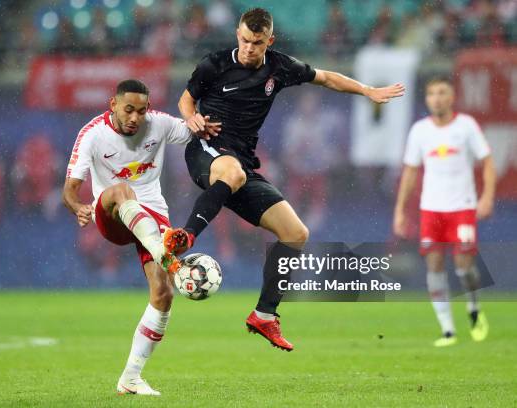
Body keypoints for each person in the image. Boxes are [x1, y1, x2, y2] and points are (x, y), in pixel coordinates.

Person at [167, 8, 405, 351]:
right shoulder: (214, 64)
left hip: (241, 167)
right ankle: (186, 236)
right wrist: (191, 119)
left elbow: (325, 77)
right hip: (206, 152)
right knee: (230, 171)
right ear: (237, 34)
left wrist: (367, 91)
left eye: (257, 42)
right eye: (245, 40)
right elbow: (186, 100)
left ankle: (265, 315)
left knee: (296, 234)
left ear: (270, 41)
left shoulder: (279, 67)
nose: (249, 48)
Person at [62, 79, 209, 395]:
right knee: (121, 190)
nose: (135, 118)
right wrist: (78, 208)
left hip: (152, 215)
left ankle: (130, 378)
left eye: (141, 111)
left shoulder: (158, 124)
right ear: (112, 104)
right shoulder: (92, 134)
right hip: (111, 213)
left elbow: (197, 130)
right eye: (128, 109)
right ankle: (165, 254)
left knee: (163, 294)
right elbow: (70, 190)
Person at [393, 77, 494, 347]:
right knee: (434, 264)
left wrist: (486, 197)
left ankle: (473, 308)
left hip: (462, 208)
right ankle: (448, 329)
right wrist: (401, 211)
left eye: (442, 93)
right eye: (431, 94)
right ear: (426, 99)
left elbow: (487, 162)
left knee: (464, 266)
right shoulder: (420, 131)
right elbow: (410, 172)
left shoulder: (466, 126)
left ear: (451, 97)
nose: (436, 98)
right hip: (431, 210)